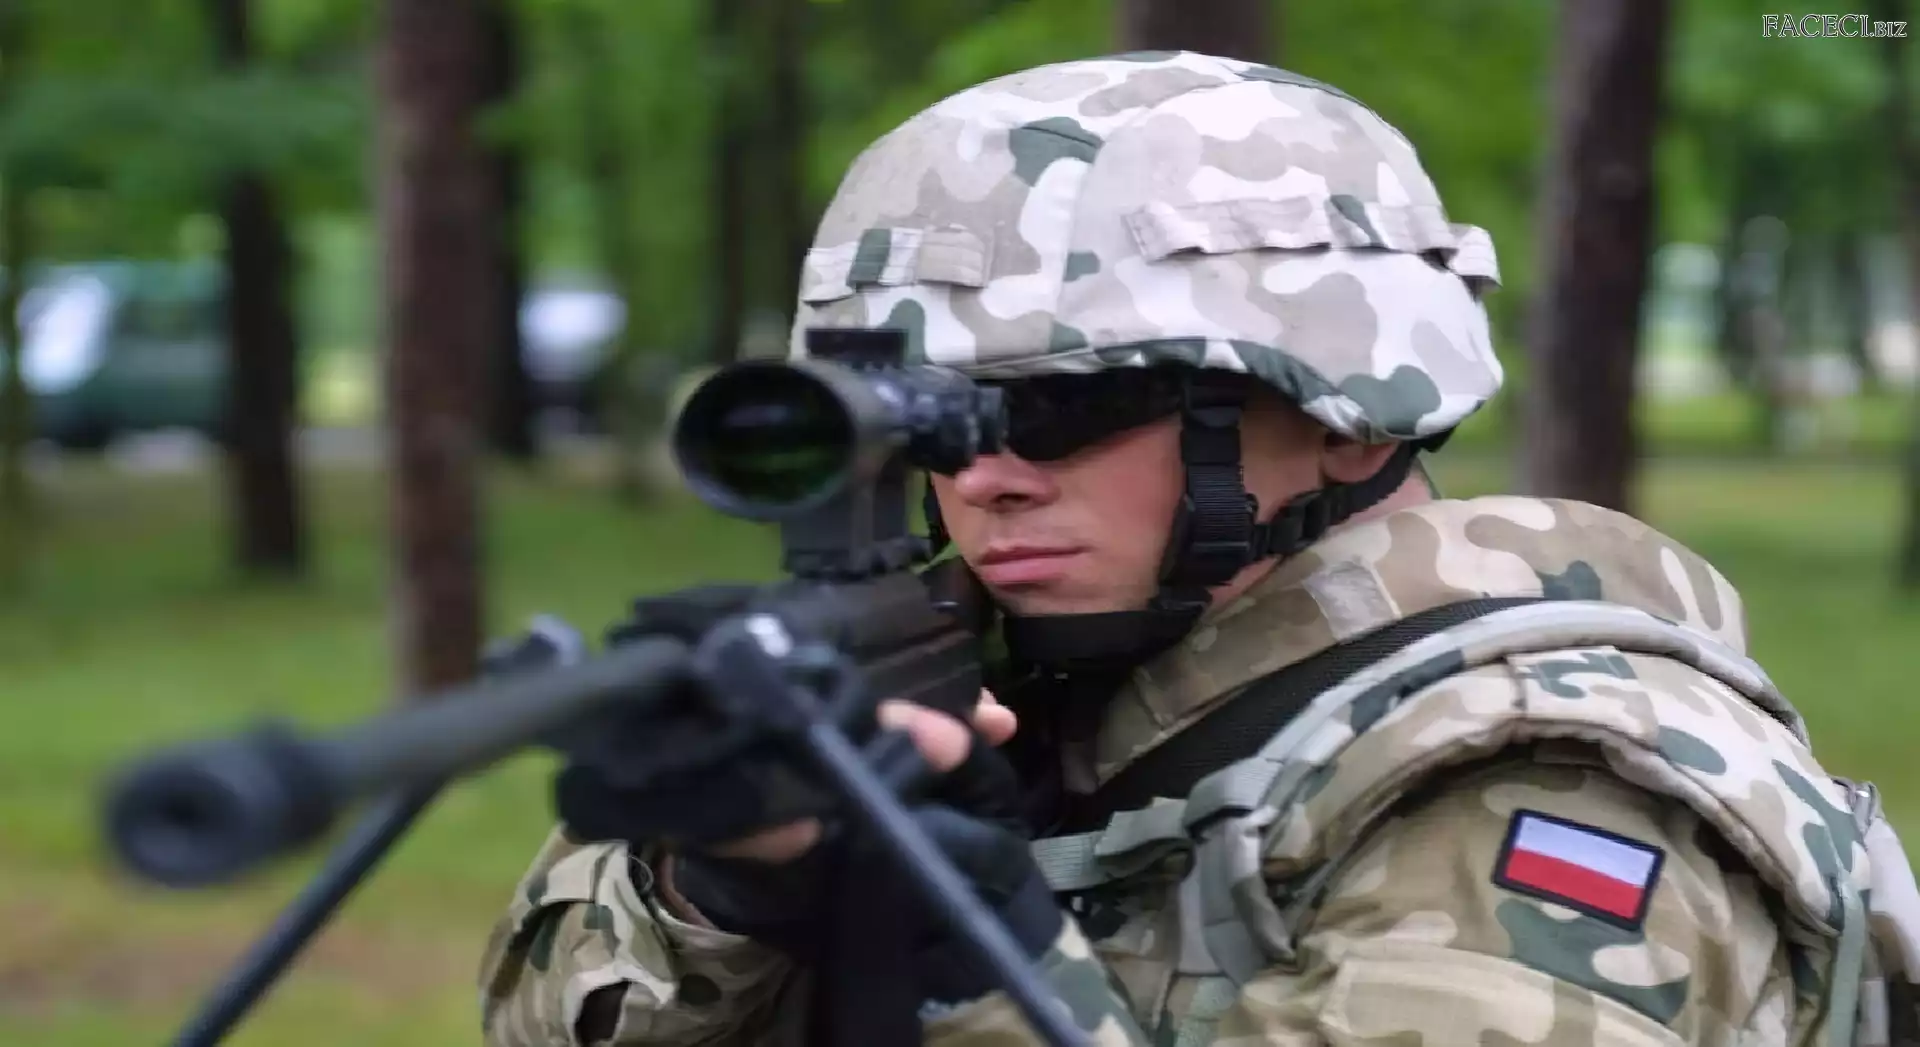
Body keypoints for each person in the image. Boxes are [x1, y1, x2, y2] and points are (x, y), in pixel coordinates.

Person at [477, 51, 1920, 1047]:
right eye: (927, 420)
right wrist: (731, 889)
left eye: (1064, 406)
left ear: (1344, 417)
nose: (983, 475)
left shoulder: (1556, 777)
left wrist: (963, 951)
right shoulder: (967, 686)